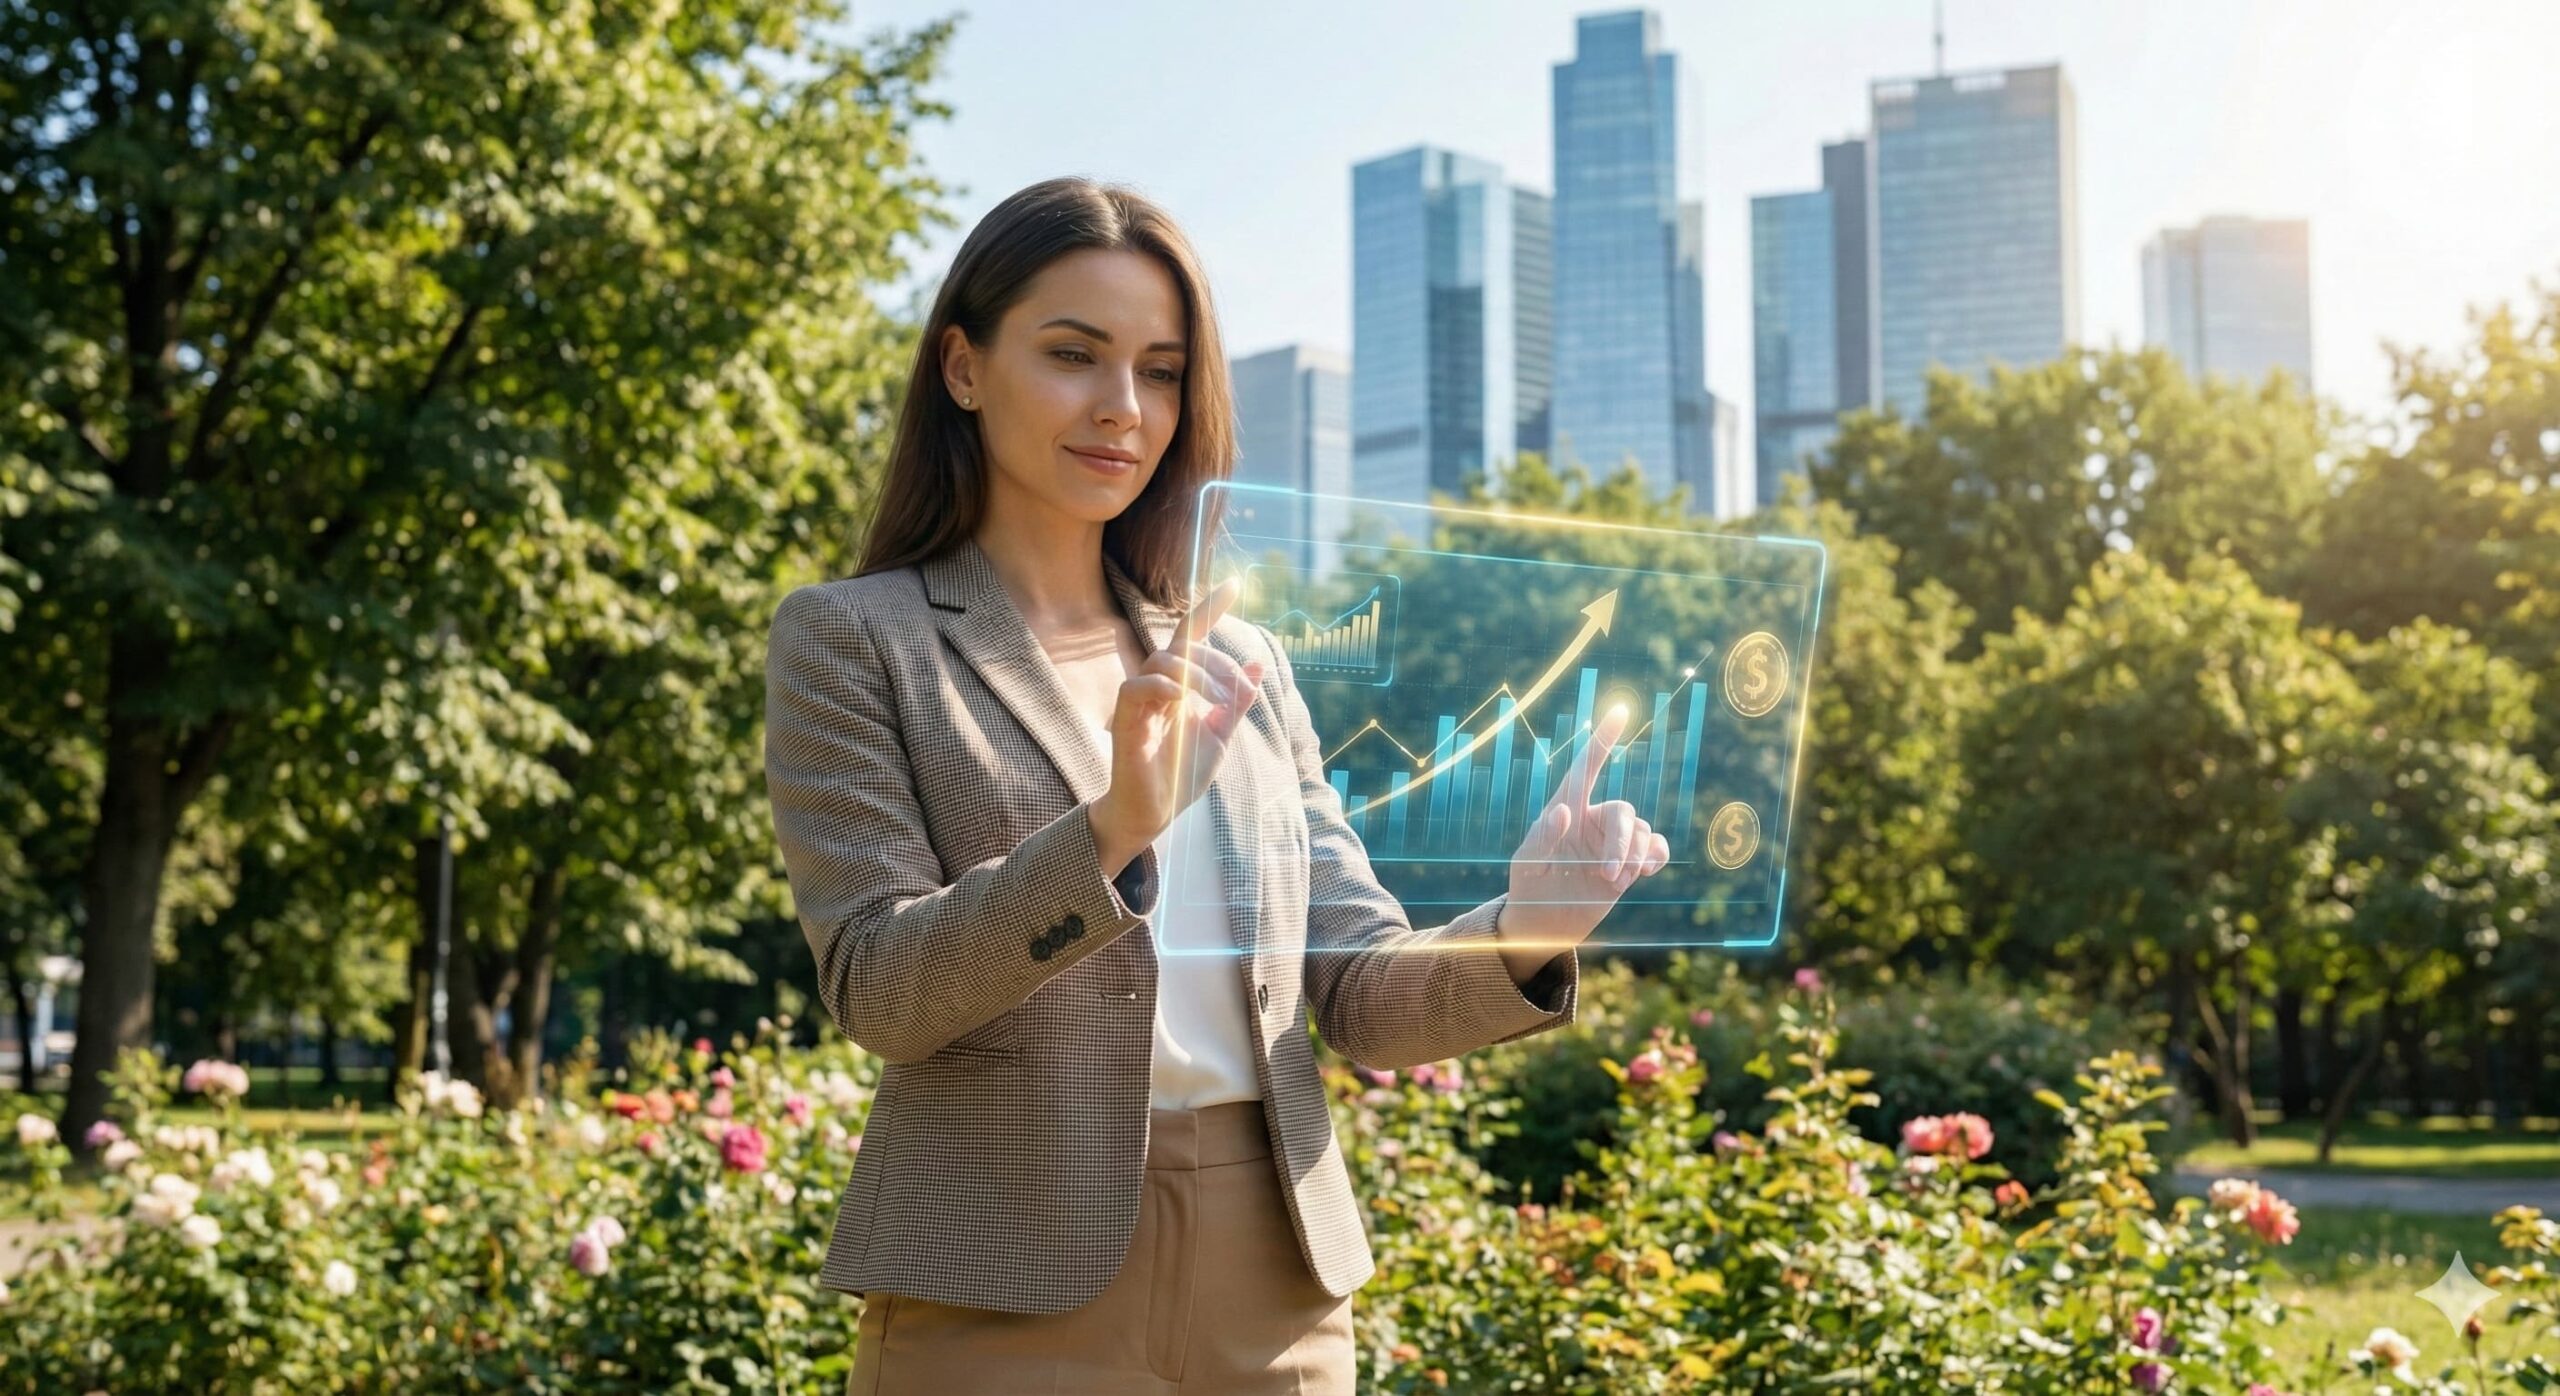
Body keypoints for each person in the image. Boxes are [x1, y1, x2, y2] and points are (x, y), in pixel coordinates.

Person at [763, 175, 1671, 1396]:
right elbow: (880, 987)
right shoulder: (855, 639)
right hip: (997, 1276)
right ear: (963, 369)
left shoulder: (1240, 657)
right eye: (1074, 355)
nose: (1121, 408)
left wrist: (1524, 928)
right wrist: (1112, 831)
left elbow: (1352, 991)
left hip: (1275, 1281)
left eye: (1161, 370)